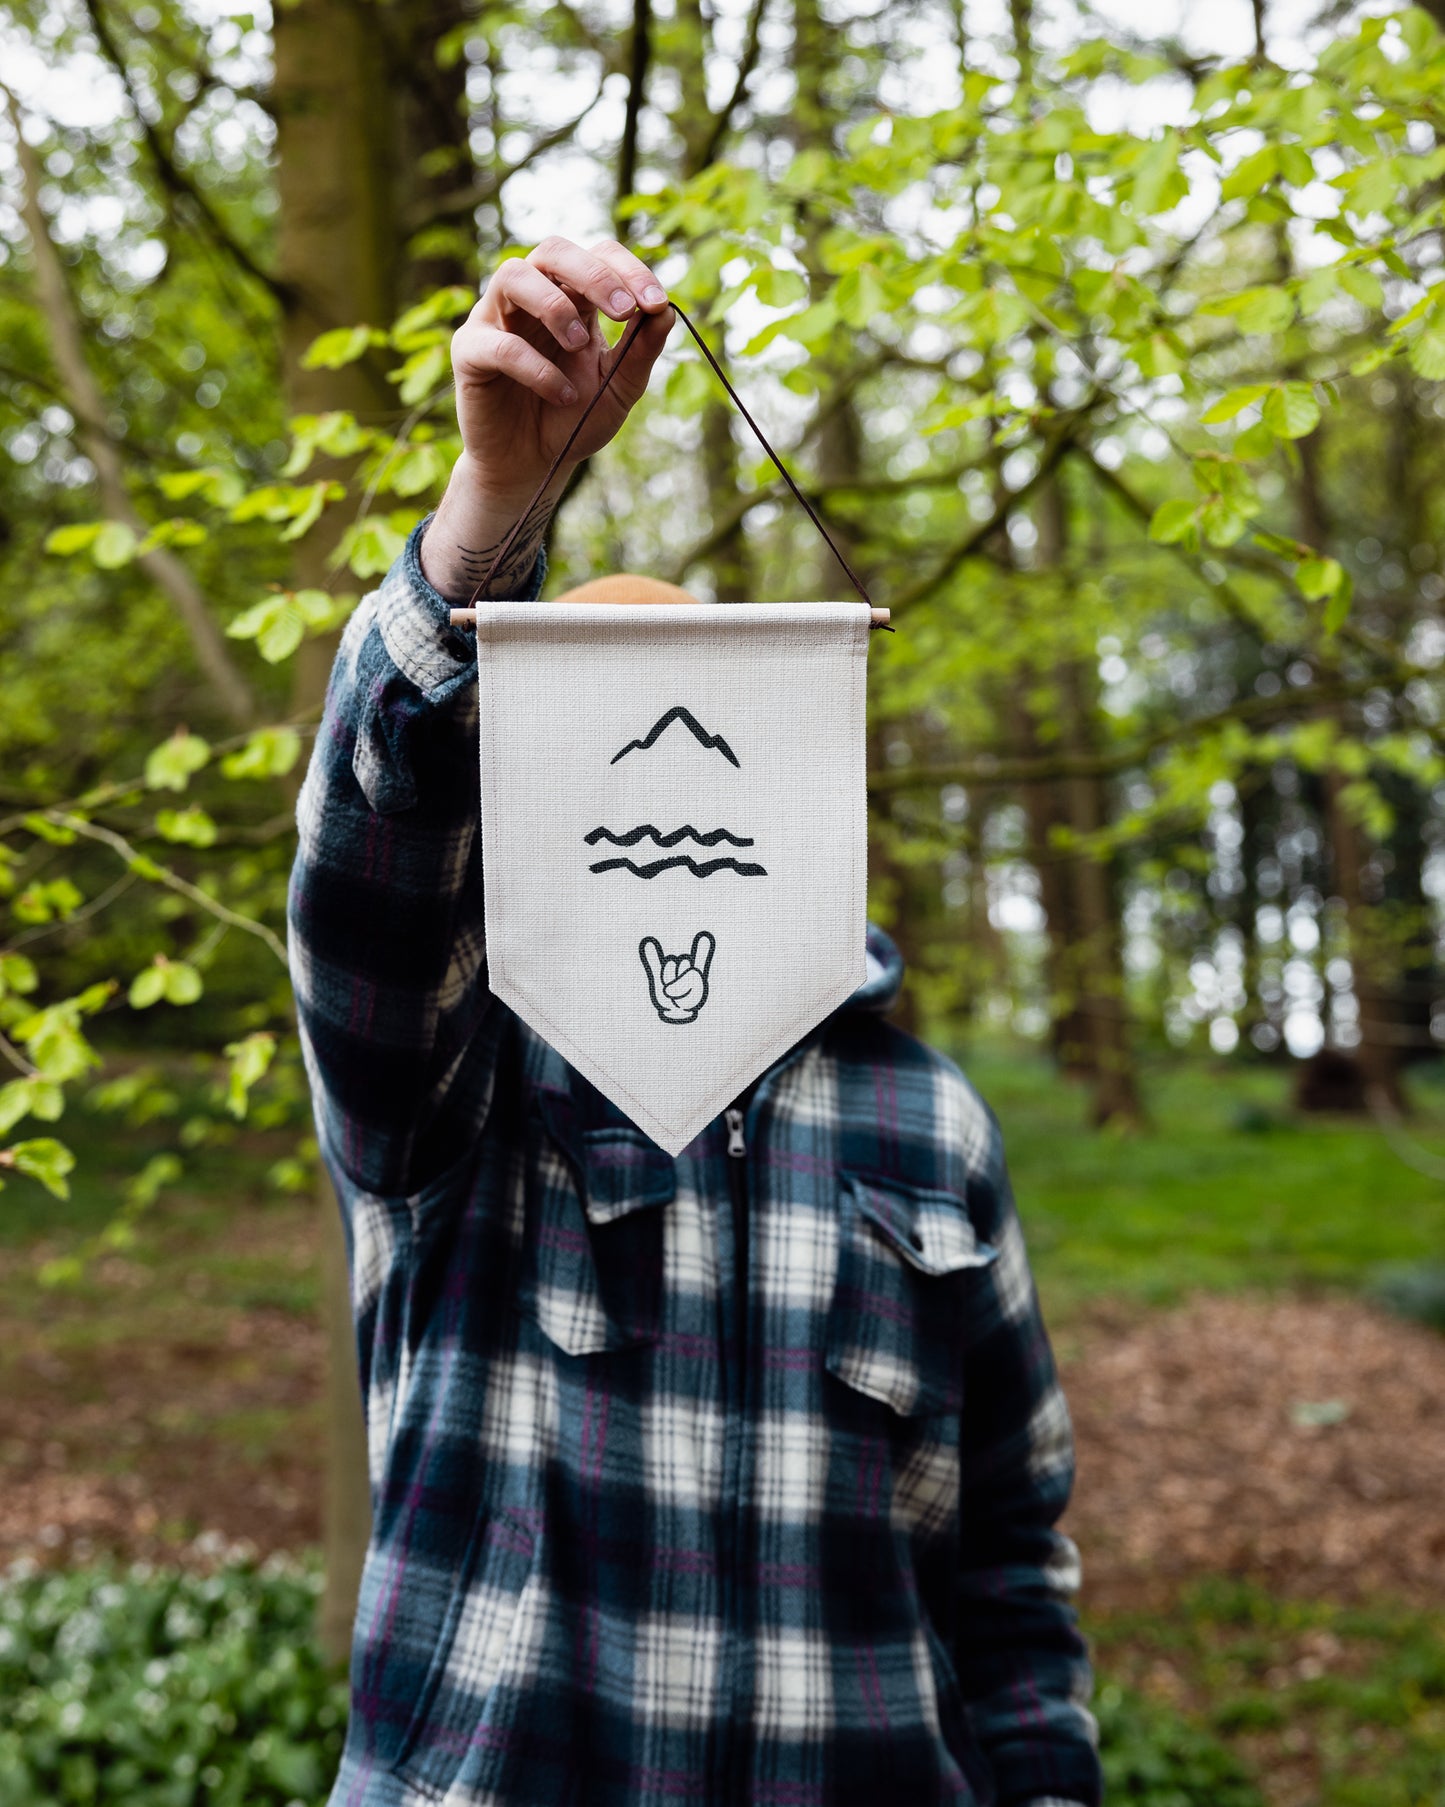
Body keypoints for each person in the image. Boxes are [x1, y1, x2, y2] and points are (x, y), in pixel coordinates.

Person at [289, 233, 1101, 1807]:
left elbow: (1010, 1559)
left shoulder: (923, 1121)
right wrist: (489, 520)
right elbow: (371, 883)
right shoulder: (456, 1077)